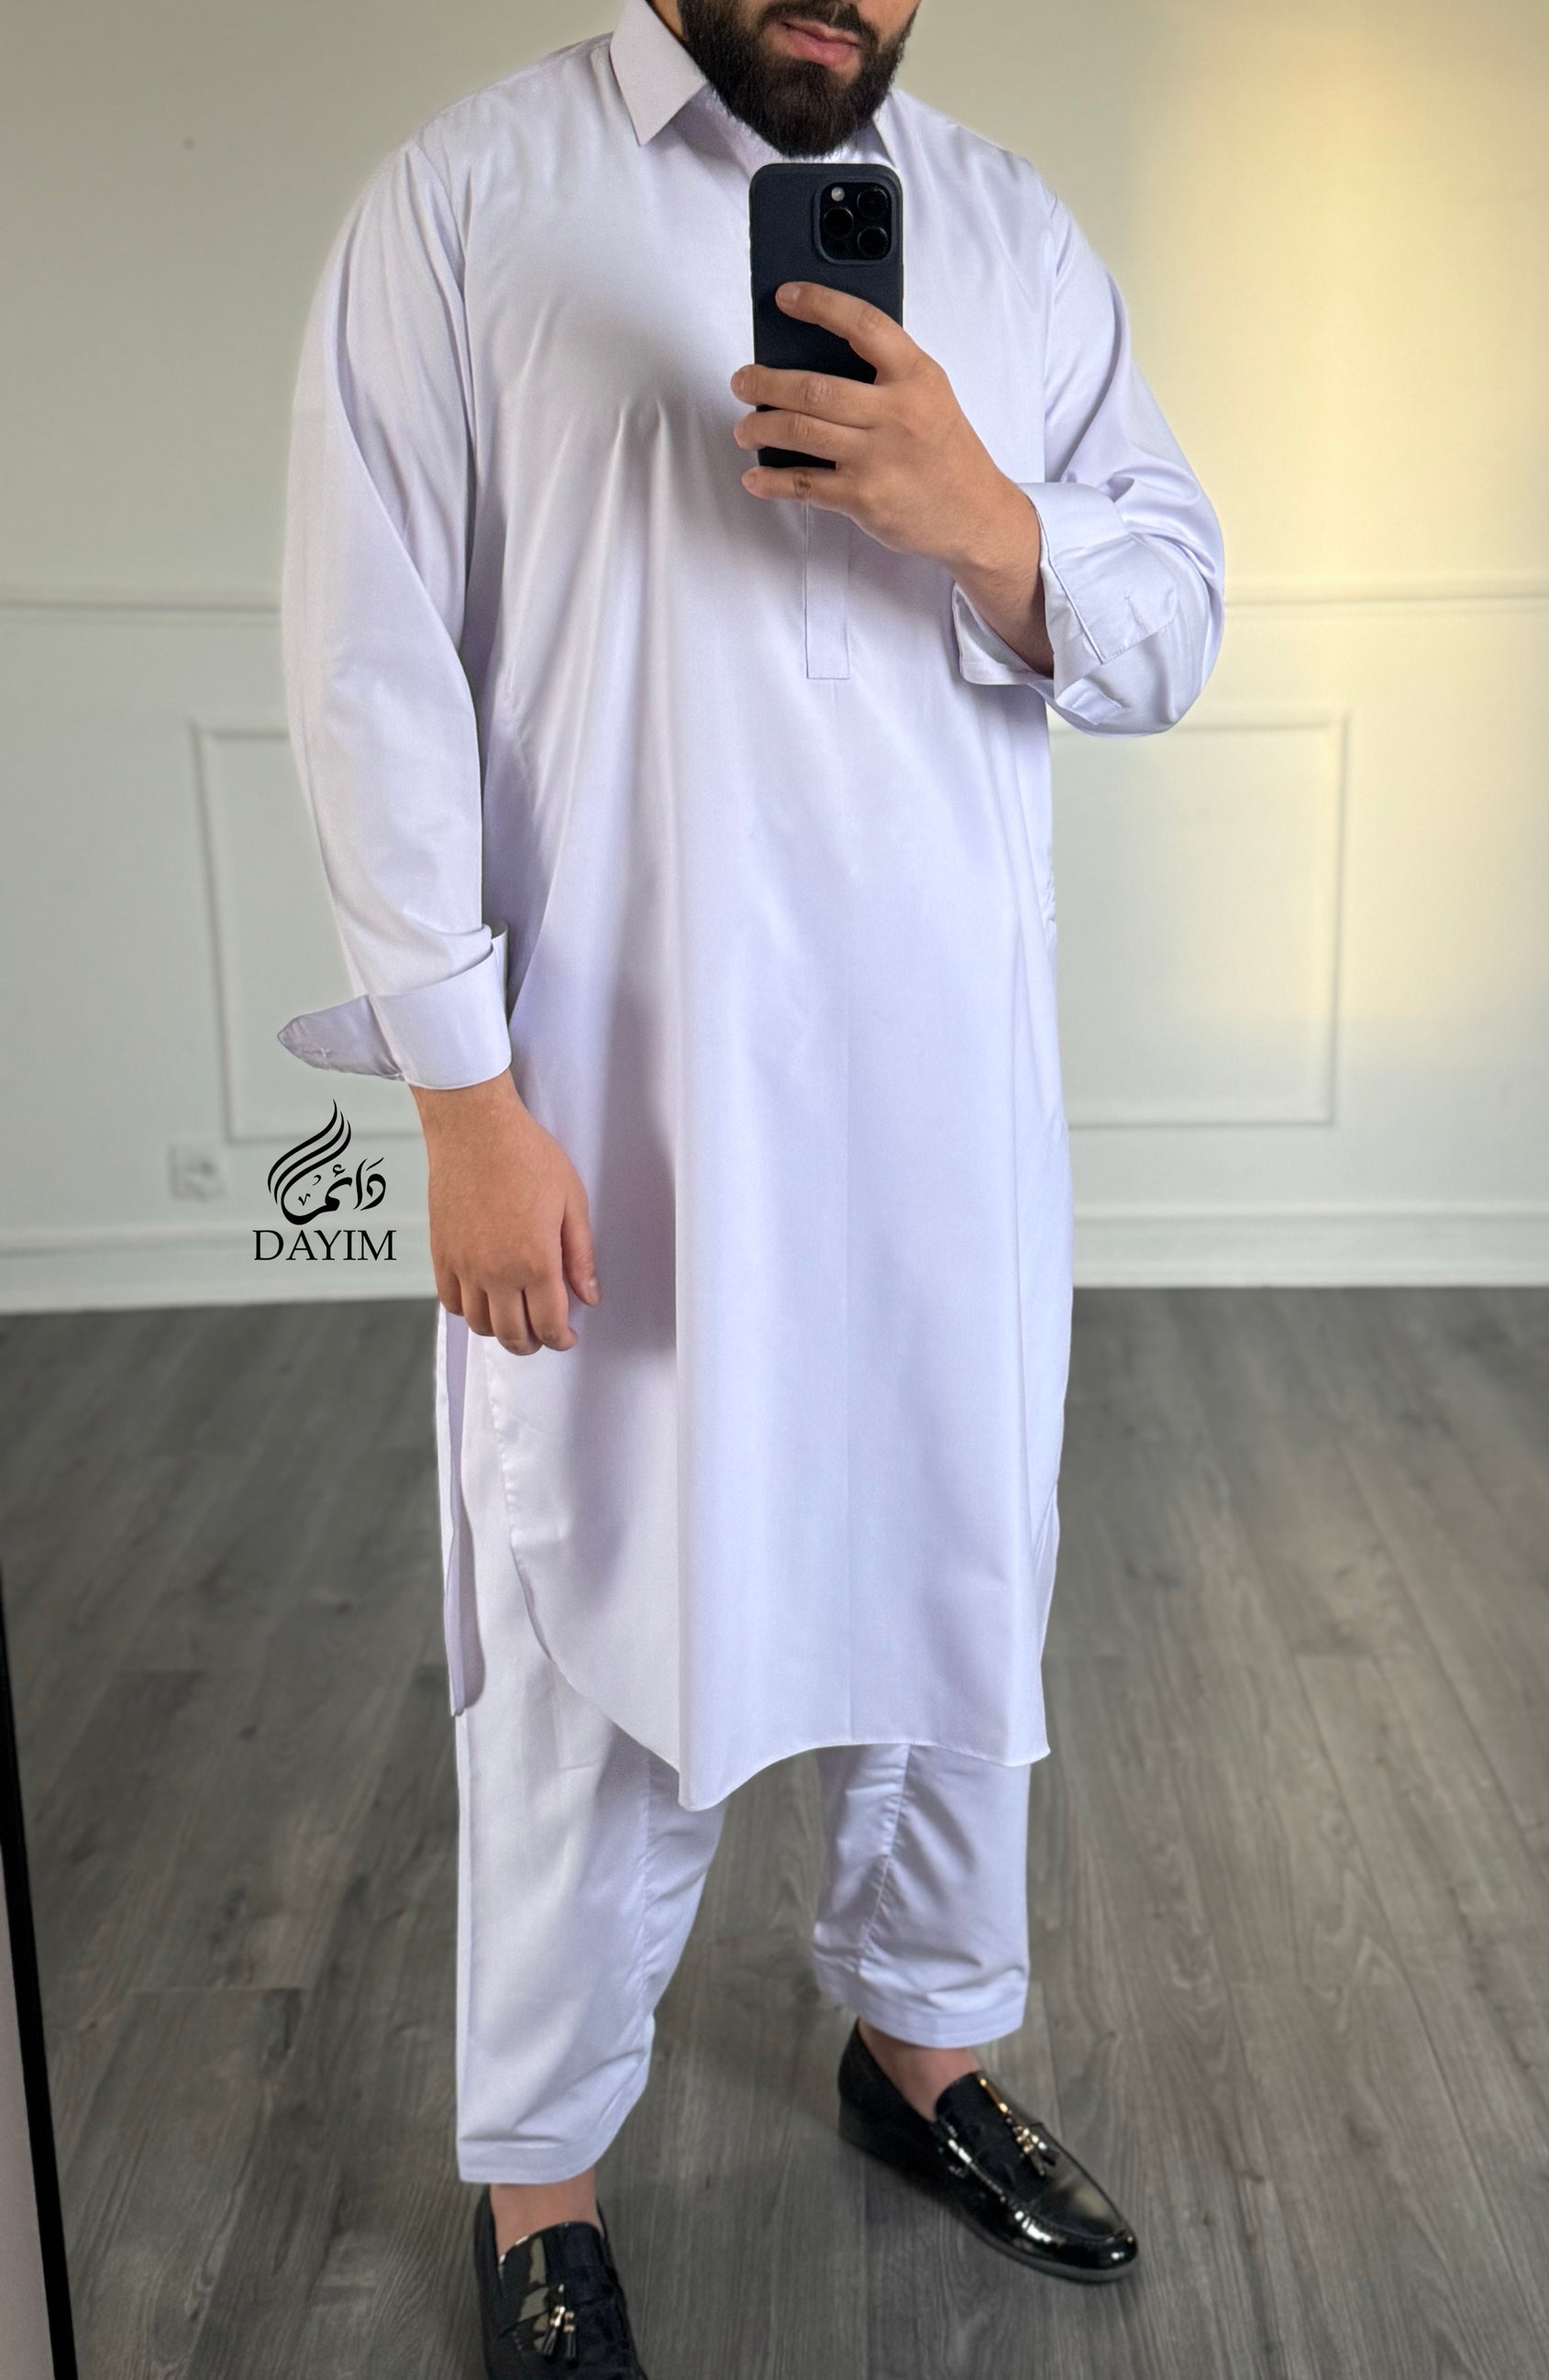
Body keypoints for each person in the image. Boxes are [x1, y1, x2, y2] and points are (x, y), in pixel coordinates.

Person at [278, 0, 1223, 2368]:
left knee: (954, 1594)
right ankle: (540, 2184)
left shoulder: (1008, 235)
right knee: (593, 1628)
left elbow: (1171, 622)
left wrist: (987, 517)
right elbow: (371, 672)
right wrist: (462, 1098)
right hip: (623, 1108)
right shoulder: (468, 203)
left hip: (942, 1107)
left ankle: (925, 2054)